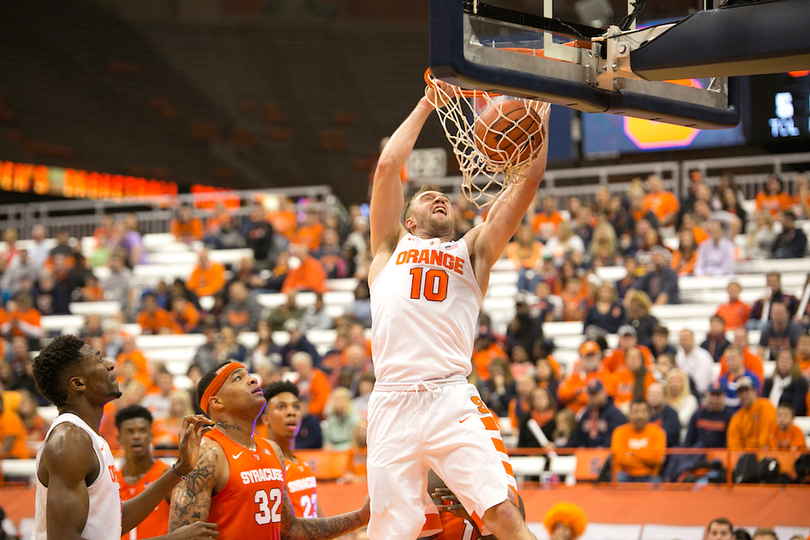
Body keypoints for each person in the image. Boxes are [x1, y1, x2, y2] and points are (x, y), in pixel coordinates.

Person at [364, 86, 548, 540]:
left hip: (449, 398)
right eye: (426, 197)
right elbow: (388, 167)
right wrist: (429, 101)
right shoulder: (389, 248)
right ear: (408, 220)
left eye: (442, 196)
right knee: (391, 534)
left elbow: (527, 182)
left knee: (503, 513)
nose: (438, 198)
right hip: (391, 401)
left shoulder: (473, 251)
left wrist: (540, 116)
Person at [31, 335, 218, 540]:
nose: (110, 365)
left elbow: (112, 524)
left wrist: (179, 469)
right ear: (78, 383)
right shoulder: (70, 439)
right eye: (98, 359)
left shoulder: (86, 437)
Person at [168, 362, 369, 539]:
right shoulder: (206, 455)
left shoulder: (272, 450)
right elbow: (181, 537)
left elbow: (292, 530)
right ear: (217, 402)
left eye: (249, 375)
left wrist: (361, 517)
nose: (252, 379)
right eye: (238, 378)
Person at [261, 381, 323, 518]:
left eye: (296, 407)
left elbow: (319, 518)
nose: (291, 412)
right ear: (266, 419)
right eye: (281, 407)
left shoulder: (304, 464)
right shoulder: (265, 467)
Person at [115, 405, 173, 539]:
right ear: (118, 438)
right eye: (129, 431)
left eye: (142, 431)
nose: (136, 436)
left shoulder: (167, 476)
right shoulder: (111, 481)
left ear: (151, 436)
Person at [611, 399, 666, 483]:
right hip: (626, 475)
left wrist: (631, 454)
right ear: (629, 414)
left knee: (657, 482)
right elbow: (619, 459)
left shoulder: (658, 432)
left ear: (649, 414)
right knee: (618, 478)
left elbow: (657, 459)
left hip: (650, 476)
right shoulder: (619, 432)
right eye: (635, 412)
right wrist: (645, 457)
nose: (639, 416)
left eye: (643, 411)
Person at [566, 379, 626, 448]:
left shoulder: (616, 414)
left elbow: (617, 438)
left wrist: (603, 448)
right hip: (586, 453)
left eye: (596, 393)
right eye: (591, 394)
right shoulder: (584, 415)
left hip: (607, 452)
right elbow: (577, 438)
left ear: (604, 392)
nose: (593, 397)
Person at [727, 376, 777, 451]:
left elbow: (766, 439)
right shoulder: (737, 417)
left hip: (766, 453)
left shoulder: (766, 406)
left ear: (754, 391)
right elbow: (734, 446)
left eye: (746, 391)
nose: (743, 395)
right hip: (745, 456)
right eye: (740, 392)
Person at [684, 381, 734, 448]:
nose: (714, 401)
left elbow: (729, 443)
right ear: (706, 396)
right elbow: (689, 441)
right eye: (712, 396)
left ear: (723, 397)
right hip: (698, 452)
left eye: (718, 396)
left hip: (720, 453)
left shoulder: (730, 417)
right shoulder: (698, 415)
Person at [762, 349, 808, 416]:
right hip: (769, 416)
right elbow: (763, 403)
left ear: (794, 363)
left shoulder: (800, 382)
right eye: (781, 359)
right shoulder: (769, 381)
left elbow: (798, 407)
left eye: (788, 359)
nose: (784, 362)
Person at [675, 328, 715, 396]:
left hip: (699, 395)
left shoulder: (703, 357)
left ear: (693, 339)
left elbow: (701, 387)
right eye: (682, 339)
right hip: (683, 393)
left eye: (686, 339)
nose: (684, 342)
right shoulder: (679, 356)